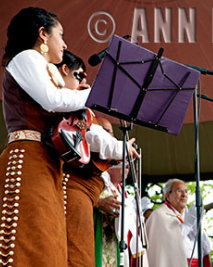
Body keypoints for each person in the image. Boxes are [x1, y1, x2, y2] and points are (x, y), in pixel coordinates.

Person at [0, 7, 92, 266]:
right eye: (61, 34)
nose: (65, 43)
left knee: (47, 247)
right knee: (31, 245)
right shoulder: (27, 57)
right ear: (42, 34)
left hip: (45, 162)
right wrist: (98, 95)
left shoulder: (45, 68)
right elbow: (53, 101)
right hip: (28, 159)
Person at [55, 50, 140, 266]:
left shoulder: (75, 110)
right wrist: (120, 148)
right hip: (71, 193)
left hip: (81, 195)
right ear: (64, 70)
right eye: (79, 76)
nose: (84, 82)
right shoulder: (67, 106)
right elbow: (87, 133)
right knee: (77, 258)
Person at [146, 179, 212, 267]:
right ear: (168, 195)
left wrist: (197, 226)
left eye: (186, 191)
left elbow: (206, 247)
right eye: (179, 191)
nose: (184, 195)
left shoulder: (187, 214)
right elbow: (169, 243)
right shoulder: (159, 215)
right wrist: (188, 224)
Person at [95, 162, 149, 267]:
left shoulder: (123, 191)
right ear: (109, 167)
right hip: (103, 238)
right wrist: (99, 203)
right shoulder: (100, 184)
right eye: (124, 164)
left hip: (123, 243)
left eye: (128, 166)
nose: (127, 168)